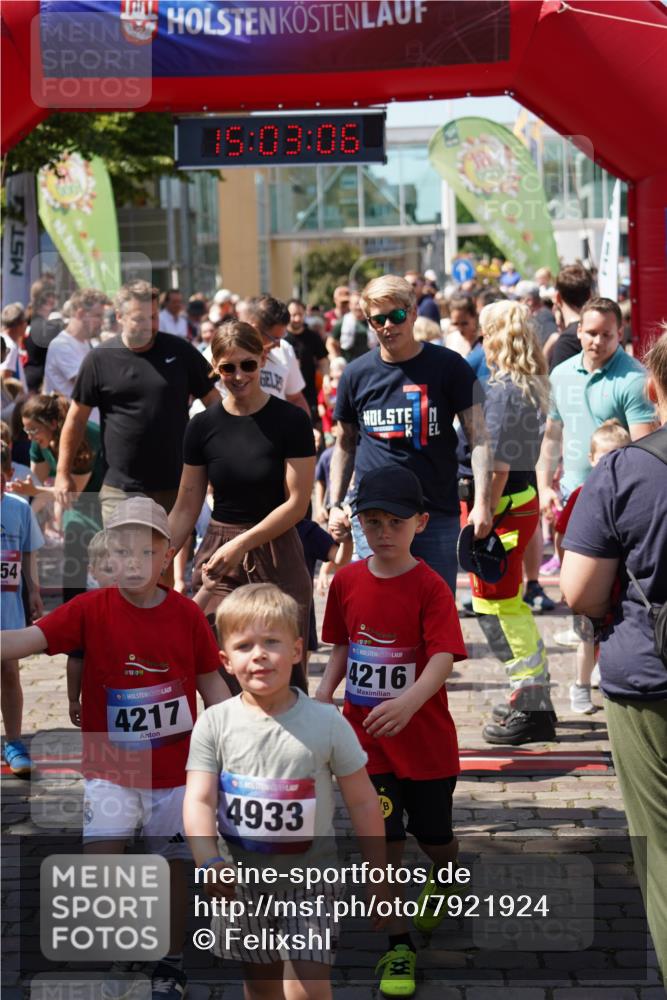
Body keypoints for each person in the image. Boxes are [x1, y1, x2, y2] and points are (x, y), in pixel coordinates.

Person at [1, 496, 230, 1000]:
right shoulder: (89, 608)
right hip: (109, 768)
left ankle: (168, 963)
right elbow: (22, 641)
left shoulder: (187, 615)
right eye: (121, 552)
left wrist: (240, 737)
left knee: (171, 871)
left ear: (166, 554)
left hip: (176, 773)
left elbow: (212, 685)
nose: (131, 563)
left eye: (144, 552)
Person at [183, 582, 385, 1000]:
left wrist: (379, 873)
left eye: (271, 642)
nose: (259, 654)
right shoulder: (214, 723)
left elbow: (364, 800)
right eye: (244, 645)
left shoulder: (326, 723)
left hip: (313, 883)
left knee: (308, 985)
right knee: (261, 984)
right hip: (240, 886)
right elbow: (199, 799)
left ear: (296, 651)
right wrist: (207, 859)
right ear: (225, 660)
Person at [317, 467, 467, 998]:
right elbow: (342, 646)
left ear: (421, 523)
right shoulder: (347, 580)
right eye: (372, 521)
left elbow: (444, 657)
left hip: (425, 744)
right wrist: (322, 696)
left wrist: (408, 701)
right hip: (367, 742)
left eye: (395, 522)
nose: (383, 531)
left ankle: (446, 875)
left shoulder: (429, 585)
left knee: (435, 839)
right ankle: (398, 946)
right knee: (382, 840)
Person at [560, 330, 667, 979]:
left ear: (651, 390)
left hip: (647, 676)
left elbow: (578, 590)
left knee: (658, 846)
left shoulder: (625, 469)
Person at [168, 321, 316, 685]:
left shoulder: (291, 420)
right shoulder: (202, 426)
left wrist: (242, 544)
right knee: (219, 669)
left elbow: (297, 504)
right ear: (215, 369)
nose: (238, 375)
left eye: (247, 364)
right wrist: (157, 557)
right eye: (227, 367)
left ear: (263, 360)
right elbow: (187, 504)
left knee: (282, 671)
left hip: (277, 547)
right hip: (220, 552)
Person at [328, 274, 492, 595]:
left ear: (413, 312)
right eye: (378, 319)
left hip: (434, 515)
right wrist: (334, 502)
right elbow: (344, 445)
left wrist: (483, 503)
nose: (388, 325)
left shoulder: (450, 366)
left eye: (397, 315)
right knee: (382, 611)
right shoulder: (356, 374)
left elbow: (480, 439)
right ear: (369, 323)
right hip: (374, 517)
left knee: (435, 611)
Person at [463, 301, 556, 745]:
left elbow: (497, 463)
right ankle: (531, 690)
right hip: (517, 502)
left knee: (496, 605)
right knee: (505, 602)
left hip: (502, 505)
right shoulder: (529, 384)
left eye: (485, 332)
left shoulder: (502, 390)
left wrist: (483, 509)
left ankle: (531, 694)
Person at [54, 280, 220, 524]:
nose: (150, 325)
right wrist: (62, 472)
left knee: (166, 559)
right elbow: (76, 419)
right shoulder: (99, 359)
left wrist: (222, 452)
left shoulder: (181, 351)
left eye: (153, 317)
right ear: (120, 316)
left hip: (177, 483)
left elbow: (214, 403)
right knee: (125, 559)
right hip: (121, 489)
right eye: (140, 319)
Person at [537, 297, 656, 521]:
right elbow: (552, 435)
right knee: (565, 554)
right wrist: (544, 488)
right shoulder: (561, 374)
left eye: (606, 334)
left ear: (620, 334)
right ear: (579, 331)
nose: (598, 341)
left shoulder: (635, 379)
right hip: (570, 497)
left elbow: (645, 451)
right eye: (592, 333)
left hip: (619, 503)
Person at [552, 420, 631, 715]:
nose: (610, 465)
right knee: (585, 638)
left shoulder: (630, 494)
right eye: (604, 458)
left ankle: (603, 674)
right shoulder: (581, 494)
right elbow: (562, 535)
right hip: (588, 580)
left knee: (612, 634)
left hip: (618, 586)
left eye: (618, 456)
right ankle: (580, 686)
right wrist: (566, 574)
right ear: (591, 459)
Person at [9, 393, 104, 601]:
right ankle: (72, 609)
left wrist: (36, 493)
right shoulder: (38, 442)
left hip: (104, 495)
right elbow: (35, 485)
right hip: (77, 500)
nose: (29, 436)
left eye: (33, 429)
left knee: (103, 555)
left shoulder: (82, 438)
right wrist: (26, 516)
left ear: (53, 424)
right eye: (26, 429)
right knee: (73, 550)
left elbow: (71, 495)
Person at [1, 442, 44, 775]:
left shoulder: (18, 508)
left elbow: (29, 551)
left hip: (8, 609)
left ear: (8, 475)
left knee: (9, 672)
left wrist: (35, 591)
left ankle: (13, 740)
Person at [242, 295, 311, 416]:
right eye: (274, 338)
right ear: (254, 329)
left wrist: (307, 430)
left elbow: (296, 399)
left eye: (282, 337)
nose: (278, 345)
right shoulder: (226, 353)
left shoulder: (285, 350)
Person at [43, 288, 106, 406]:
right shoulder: (61, 345)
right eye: (98, 316)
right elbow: (88, 384)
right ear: (80, 313)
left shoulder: (86, 343)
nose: (102, 322)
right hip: (74, 422)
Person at [285, 298, 329, 420]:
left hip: (309, 393)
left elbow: (323, 360)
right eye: (293, 315)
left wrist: (325, 379)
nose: (297, 319)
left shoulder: (312, 337)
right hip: (286, 394)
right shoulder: (281, 338)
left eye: (300, 314)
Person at [544, 263, 593, 371]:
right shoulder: (607, 333)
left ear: (557, 297)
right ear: (590, 295)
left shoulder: (567, 342)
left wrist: (546, 352)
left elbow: (559, 386)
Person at [326, 292, 370, 363]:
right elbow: (330, 343)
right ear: (350, 305)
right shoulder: (343, 322)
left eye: (360, 304)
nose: (358, 307)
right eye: (356, 304)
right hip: (349, 363)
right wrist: (337, 359)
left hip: (369, 363)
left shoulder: (372, 321)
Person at [0, 303, 28, 395]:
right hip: (9, 406)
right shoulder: (9, 346)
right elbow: (5, 378)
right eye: (25, 321)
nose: (26, 325)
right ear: (18, 325)